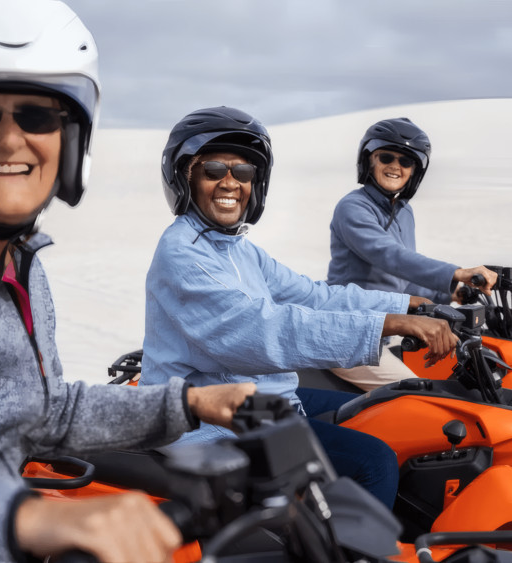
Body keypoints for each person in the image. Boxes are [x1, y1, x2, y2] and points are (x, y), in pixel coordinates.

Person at [0, 1, 254, 561]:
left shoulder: (14, 262)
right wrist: (26, 521)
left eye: (37, 117)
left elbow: (44, 411)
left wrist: (189, 403)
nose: (11, 141)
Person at [141, 106, 457, 509]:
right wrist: (386, 324)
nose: (230, 182)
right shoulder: (182, 255)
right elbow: (261, 329)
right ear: (185, 176)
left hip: (261, 400)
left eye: (243, 172)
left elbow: (313, 295)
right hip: (212, 422)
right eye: (214, 169)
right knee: (374, 461)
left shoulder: (238, 248)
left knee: (386, 407)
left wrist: (409, 304)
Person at [326, 117, 498, 391]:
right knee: (418, 398)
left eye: (406, 162)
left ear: (414, 171)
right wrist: (455, 272)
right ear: (370, 160)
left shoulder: (404, 212)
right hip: (353, 333)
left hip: (389, 328)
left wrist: (452, 292)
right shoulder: (353, 207)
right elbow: (389, 256)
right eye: (386, 157)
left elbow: (402, 279)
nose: (396, 166)